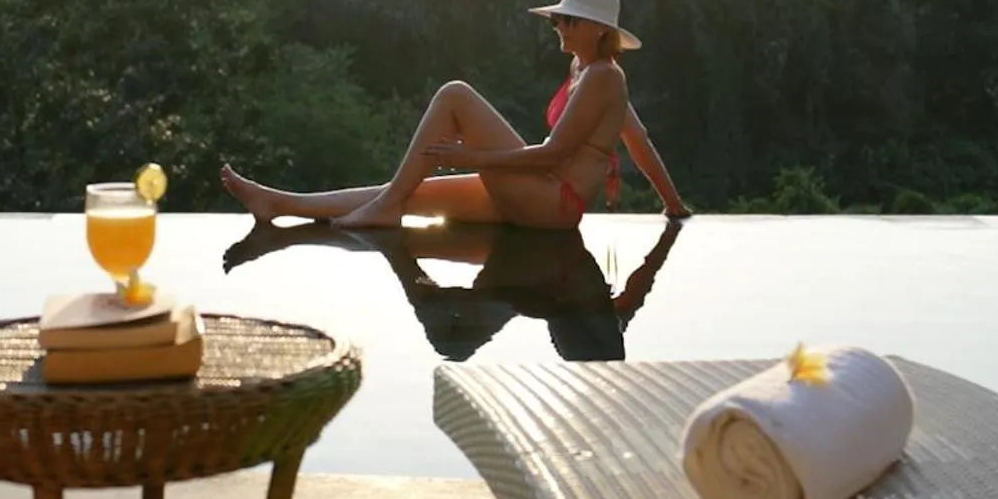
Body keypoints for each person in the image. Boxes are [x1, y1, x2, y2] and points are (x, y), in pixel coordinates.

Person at [220, 0, 691, 228]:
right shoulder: (588, 74)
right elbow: (637, 140)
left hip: (553, 202)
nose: (560, 28)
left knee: (455, 96)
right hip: (538, 194)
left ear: (598, 31)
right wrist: (673, 204)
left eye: (569, 21)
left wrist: (471, 158)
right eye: (559, 21)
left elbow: (554, 155)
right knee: (403, 193)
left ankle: (376, 206)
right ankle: (279, 202)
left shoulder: (606, 78)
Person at [219, 215, 688, 362]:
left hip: (528, 288)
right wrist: (672, 217)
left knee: (452, 341)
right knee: (452, 339)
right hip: (533, 278)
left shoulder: (601, 320)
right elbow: (638, 287)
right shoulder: (609, 319)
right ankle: (285, 223)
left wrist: (672, 225)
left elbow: (635, 289)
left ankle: (391, 250)